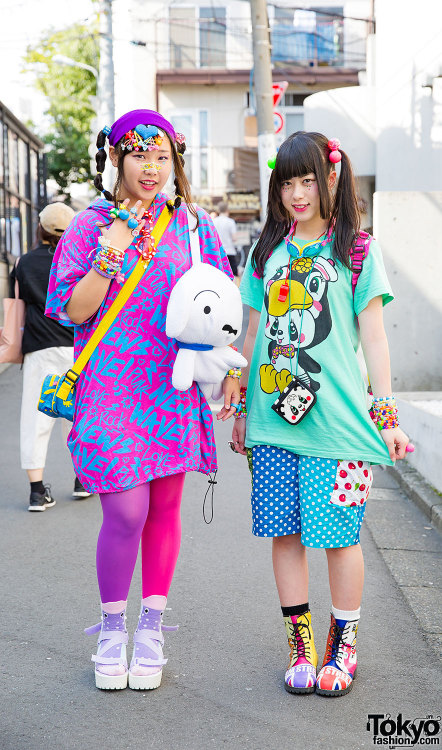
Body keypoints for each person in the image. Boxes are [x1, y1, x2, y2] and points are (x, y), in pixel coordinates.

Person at [45, 109, 239, 692]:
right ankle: (111, 628)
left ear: (175, 160)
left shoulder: (196, 227)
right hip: (111, 388)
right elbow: (73, 311)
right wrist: (112, 251)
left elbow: (221, 305)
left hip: (173, 385)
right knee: (125, 512)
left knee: (164, 509)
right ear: (117, 159)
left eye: (162, 157)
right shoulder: (88, 226)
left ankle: (150, 627)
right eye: (139, 155)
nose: (151, 168)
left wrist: (230, 371)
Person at [232, 131, 410, 697]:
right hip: (271, 421)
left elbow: (375, 341)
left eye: (307, 180)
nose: (297, 193)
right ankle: (300, 648)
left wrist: (386, 414)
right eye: (287, 183)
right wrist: (239, 406)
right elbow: (253, 334)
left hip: (338, 425)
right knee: (284, 537)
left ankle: (344, 644)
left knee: (339, 537)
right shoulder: (267, 254)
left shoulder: (357, 251)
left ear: (330, 178)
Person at [10, 202, 92, 511]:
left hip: (40, 348)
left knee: (35, 418)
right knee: (78, 415)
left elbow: (18, 303)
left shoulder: (24, 263)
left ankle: (36, 491)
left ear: (41, 228)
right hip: (79, 349)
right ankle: (82, 480)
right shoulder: (81, 259)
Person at [213, 201, 239, 277]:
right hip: (230, 252)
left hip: (218, 252)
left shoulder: (214, 221)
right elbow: (234, 238)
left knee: (219, 276)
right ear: (227, 210)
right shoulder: (230, 222)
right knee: (233, 275)